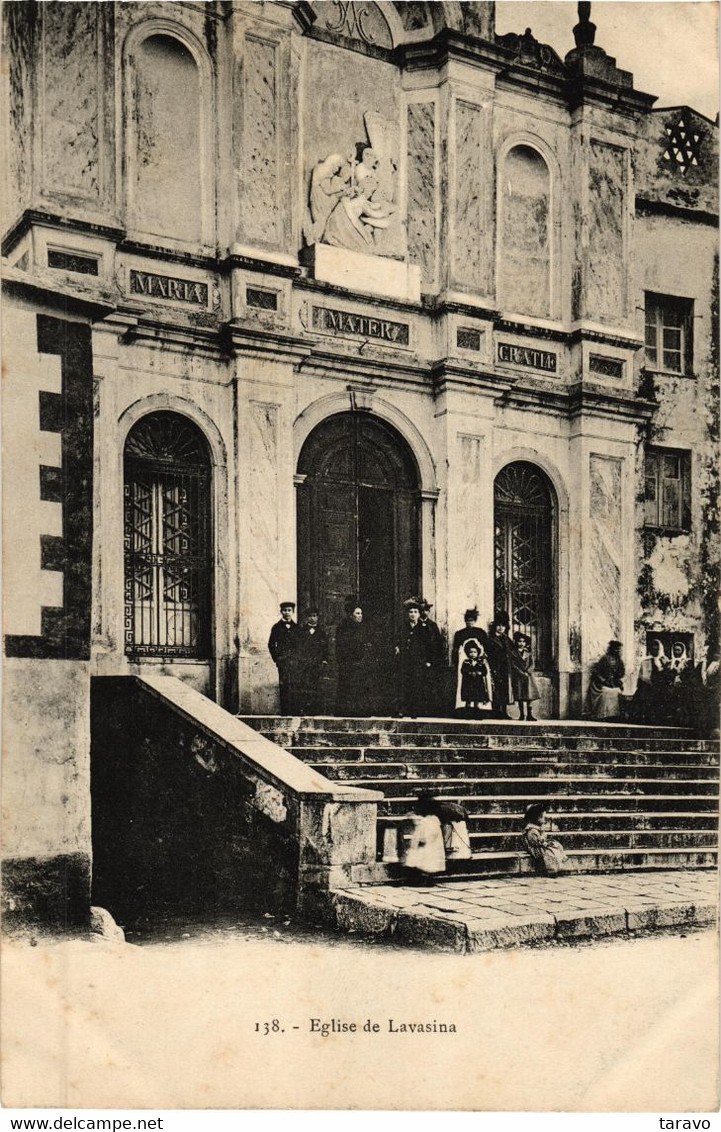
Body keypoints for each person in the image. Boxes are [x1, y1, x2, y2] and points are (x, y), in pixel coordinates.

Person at [395, 598, 437, 718]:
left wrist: (428, 660)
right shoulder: (404, 627)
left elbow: (430, 646)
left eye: (415, 612)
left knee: (416, 685)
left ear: (419, 614)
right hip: (405, 660)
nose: (413, 614)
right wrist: (397, 647)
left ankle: (414, 710)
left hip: (418, 661)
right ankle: (402, 710)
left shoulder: (424, 628)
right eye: (410, 612)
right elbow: (398, 640)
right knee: (404, 684)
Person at [335, 600, 373, 716]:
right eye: (357, 613)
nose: (360, 616)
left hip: (361, 663)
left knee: (361, 687)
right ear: (351, 615)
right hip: (348, 663)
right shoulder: (343, 628)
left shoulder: (364, 628)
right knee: (348, 687)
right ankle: (346, 711)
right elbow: (341, 647)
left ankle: (361, 710)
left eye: (361, 613)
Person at [451, 609, 489, 715]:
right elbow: (455, 649)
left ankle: (478, 708)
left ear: (475, 621)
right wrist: (455, 662)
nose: (469, 623)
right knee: (465, 687)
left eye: (472, 621)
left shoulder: (480, 632)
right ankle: (465, 709)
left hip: (478, 664)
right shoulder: (460, 633)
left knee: (478, 687)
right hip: (465, 663)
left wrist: (482, 658)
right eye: (467, 621)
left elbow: (486, 647)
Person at [401, 794, 447, 881]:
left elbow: (423, 835)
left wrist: (419, 841)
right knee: (429, 863)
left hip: (426, 846)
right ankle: (428, 877)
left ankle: (422, 878)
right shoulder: (434, 820)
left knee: (421, 861)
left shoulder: (425, 822)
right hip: (433, 847)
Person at [268, 602, 301, 714]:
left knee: (295, 684)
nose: (287, 613)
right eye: (285, 610)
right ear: (281, 611)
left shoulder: (297, 628)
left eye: (289, 610)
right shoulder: (276, 627)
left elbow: (300, 645)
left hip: (295, 662)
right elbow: (271, 644)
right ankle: (285, 711)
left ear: (293, 612)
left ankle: (295, 710)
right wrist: (277, 658)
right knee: (284, 685)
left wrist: (298, 658)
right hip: (283, 661)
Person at [521, 802, 570, 876]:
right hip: (536, 849)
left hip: (540, 845)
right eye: (543, 817)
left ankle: (559, 863)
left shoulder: (537, 829)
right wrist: (545, 842)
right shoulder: (531, 831)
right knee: (550, 852)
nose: (545, 819)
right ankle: (551, 869)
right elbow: (536, 842)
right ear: (536, 818)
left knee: (556, 845)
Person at [296, 610, 329, 715]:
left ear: (318, 617)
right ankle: (304, 709)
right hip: (304, 664)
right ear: (307, 618)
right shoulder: (301, 632)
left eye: (314, 616)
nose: (312, 618)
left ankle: (316, 709)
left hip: (317, 663)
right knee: (305, 685)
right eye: (310, 616)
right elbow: (298, 647)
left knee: (317, 686)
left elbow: (325, 648)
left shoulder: (322, 632)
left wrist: (324, 660)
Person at [630, 638, 670, 724]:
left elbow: (667, 674)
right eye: (653, 648)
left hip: (660, 685)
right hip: (648, 685)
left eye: (657, 649)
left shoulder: (665, 660)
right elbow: (641, 675)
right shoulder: (645, 660)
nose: (655, 650)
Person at [587, 640, 626, 720]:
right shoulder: (604, 659)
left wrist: (618, 680)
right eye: (616, 649)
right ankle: (604, 715)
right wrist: (604, 680)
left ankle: (614, 715)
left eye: (619, 649)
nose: (618, 651)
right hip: (600, 684)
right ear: (612, 649)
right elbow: (597, 672)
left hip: (613, 684)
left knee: (617, 691)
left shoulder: (620, 661)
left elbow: (622, 673)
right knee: (606, 692)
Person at [486, 616, 516, 719]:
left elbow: (513, 652)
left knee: (504, 690)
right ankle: (496, 712)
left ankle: (504, 712)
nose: (500, 628)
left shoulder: (507, 639)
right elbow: (487, 654)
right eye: (498, 625)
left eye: (503, 626)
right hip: (494, 667)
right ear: (495, 627)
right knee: (495, 690)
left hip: (505, 668)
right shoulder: (490, 639)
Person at [419, 599, 445, 714]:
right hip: (419, 660)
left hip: (432, 660)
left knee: (431, 685)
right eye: (422, 610)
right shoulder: (416, 625)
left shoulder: (432, 625)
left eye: (426, 610)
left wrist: (433, 660)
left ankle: (430, 709)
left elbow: (437, 644)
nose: (424, 612)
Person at [510, 632, 540, 721]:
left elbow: (532, 665)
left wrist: (528, 672)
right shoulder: (513, 653)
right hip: (519, 678)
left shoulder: (529, 654)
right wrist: (521, 673)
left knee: (529, 696)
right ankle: (522, 715)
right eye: (519, 641)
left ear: (526, 643)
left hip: (529, 678)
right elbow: (513, 665)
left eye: (523, 641)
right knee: (520, 696)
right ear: (516, 642)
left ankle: (530, 715)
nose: (521, 643)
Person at [459, 640, 493, 717]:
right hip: (468, 683)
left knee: (476, 698)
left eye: (475, 652)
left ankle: (476, 712)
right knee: (468, 697)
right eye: (471, 652)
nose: (473, 654)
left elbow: (484, 671)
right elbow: (463, 670)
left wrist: (479, 672)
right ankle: (467, 712)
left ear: (478, 653)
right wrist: (469, 673)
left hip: (478, 683)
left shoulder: (480, 662)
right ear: (468, 653)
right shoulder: (466, 662)